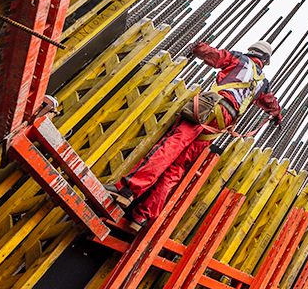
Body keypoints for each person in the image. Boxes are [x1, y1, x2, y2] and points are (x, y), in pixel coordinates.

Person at [107, 39, 282, 232]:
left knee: (171, 146)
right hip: (223, 122)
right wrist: (277, 117)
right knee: (179, 165)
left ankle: (128, 190)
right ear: (265, 60)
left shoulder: (239, 59)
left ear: (251, 51)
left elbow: (213, 56)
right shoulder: (263, 84)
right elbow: (271, 105)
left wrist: (198, 46)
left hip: (208, 107)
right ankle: (142, 216)